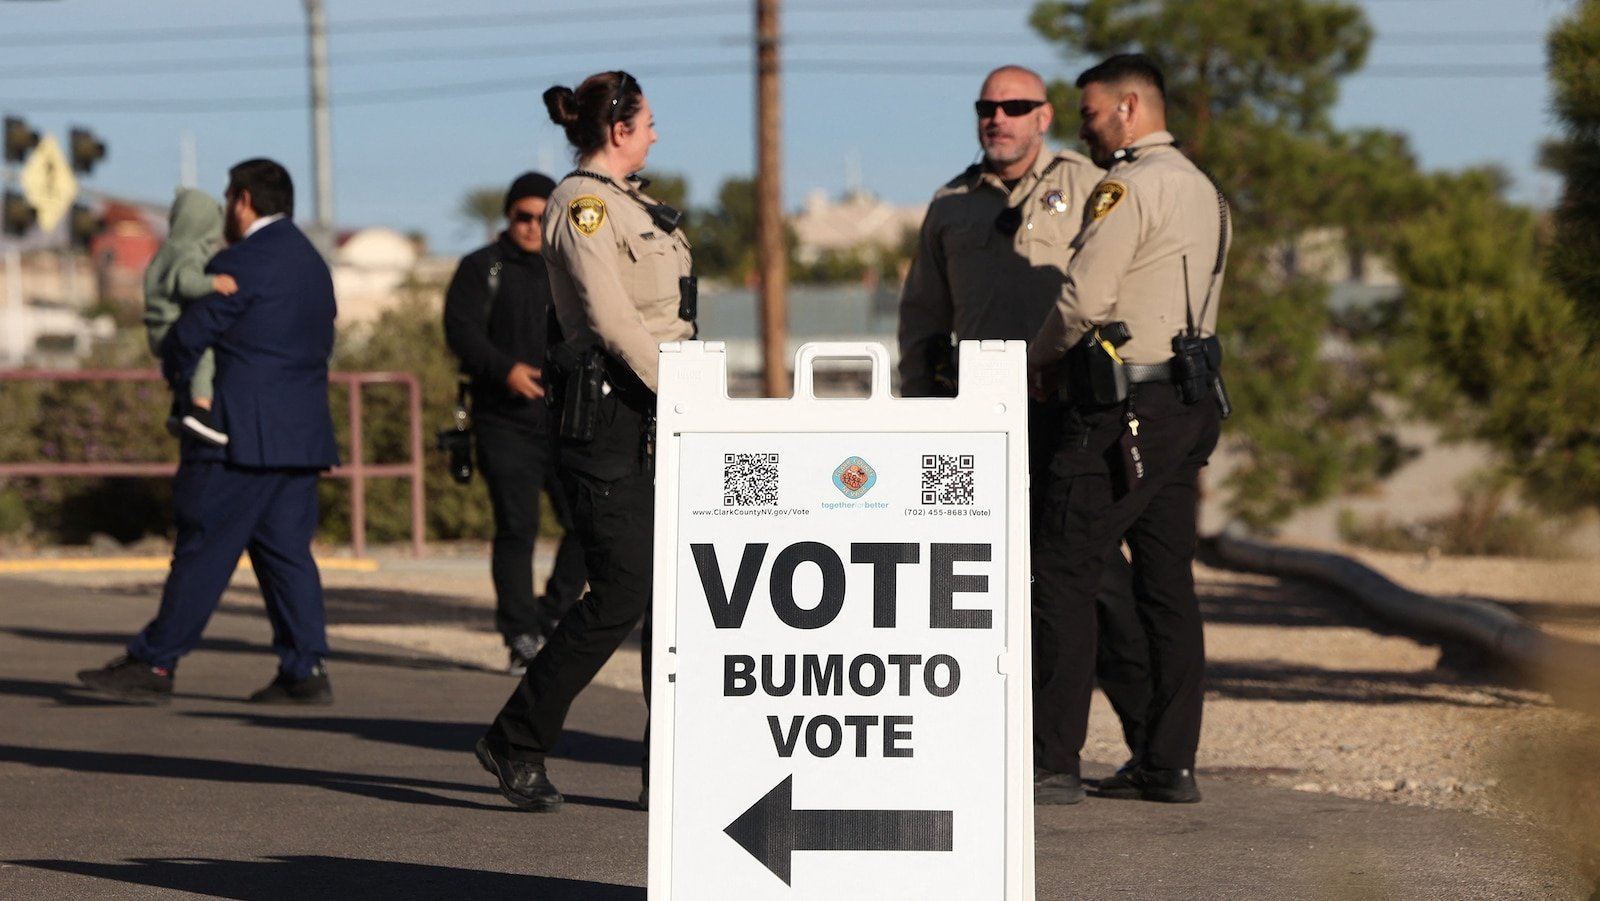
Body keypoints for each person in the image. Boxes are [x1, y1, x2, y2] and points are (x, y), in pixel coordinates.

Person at [896, 64, 1152, 804]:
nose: (997, 119)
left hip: (1068, 406)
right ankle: (1008, 744)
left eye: (1015, 107)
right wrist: (920, 406)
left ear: (1045, 117)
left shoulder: (1089, 184)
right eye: (986, 107)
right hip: (976, 413)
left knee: (1092, 576)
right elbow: (922, 313)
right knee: (972, 582)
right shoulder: (951, 205)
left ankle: (1150, 740)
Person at [474, 70, 692, 813]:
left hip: (657, 412)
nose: (657, 134)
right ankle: (516, 737)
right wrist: (681, 387)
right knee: (624, 589)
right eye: (650, 121)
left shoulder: (635, 204)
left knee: (674, 597)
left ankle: (668, 764)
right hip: (611, 415)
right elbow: (609, 319)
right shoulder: (584, 204)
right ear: (618, 129)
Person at [1028, 54, 1230, 805]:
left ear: (1130, 106)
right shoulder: (1206, 191)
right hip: (1188, 402)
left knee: (1061, 565)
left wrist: (1031, 362)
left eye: (1089, 113)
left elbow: (1083, 299)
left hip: (1123, 410)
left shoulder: (1129, 187)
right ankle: (1168, 762)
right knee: (1167, 583)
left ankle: (1053, 760)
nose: (1085, 128)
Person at [78, 158, 342, 706]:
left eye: (228, 199)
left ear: (243, 200)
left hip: (235, 434)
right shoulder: (312, 263)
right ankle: (305, 668)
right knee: (286, 553)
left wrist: (184, 383)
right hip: (300, 434)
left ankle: (153, 664)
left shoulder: (243, 261)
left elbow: (188, 333)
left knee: (202, 548)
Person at [443, 171, 588, 675]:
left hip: (567, 420)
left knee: (588, 525)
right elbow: (459, 331)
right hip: (503, 420)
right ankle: (520, 634)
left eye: (541, 215)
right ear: (508, 217)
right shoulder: (482, 267)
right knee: (517, 528)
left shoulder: (574, 266)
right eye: (521, 216)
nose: (531, 225)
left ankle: (551, 616)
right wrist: (504, 370)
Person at [142, 186, 238, 446]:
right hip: (173, 328)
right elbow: (187, 282)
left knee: (181, 369)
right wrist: (214, 283)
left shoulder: (165, 251)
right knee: (201, 355)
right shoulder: (190, 252)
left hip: (157, 329)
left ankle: (178, 412)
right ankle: (200, 411)